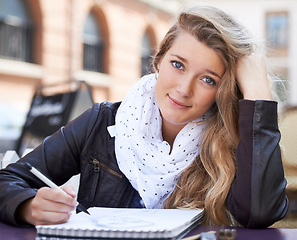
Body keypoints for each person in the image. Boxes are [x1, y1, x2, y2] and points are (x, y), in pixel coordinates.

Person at [0, 4, 288, 228]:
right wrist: (26, 206)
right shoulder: (102, 122)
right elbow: (8, 180)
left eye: (208, 80)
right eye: (177, 64)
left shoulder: (232, 142)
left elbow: (260, 214)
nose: (184, 89)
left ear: (223, 90)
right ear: (159, 60)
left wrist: (259, 97)